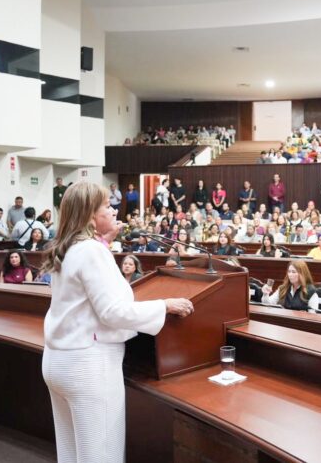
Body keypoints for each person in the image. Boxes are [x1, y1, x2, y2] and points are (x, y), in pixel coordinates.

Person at [41, 181, 193, 463]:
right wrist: (164, 305)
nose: (113, 211)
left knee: (72, 453)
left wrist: (105, 241)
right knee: (101, 455)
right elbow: (112, 311)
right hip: (87, 366)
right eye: (107, 207)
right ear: (90, 216)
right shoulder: (91, 251)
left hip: (59, 361)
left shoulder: (70, 247)